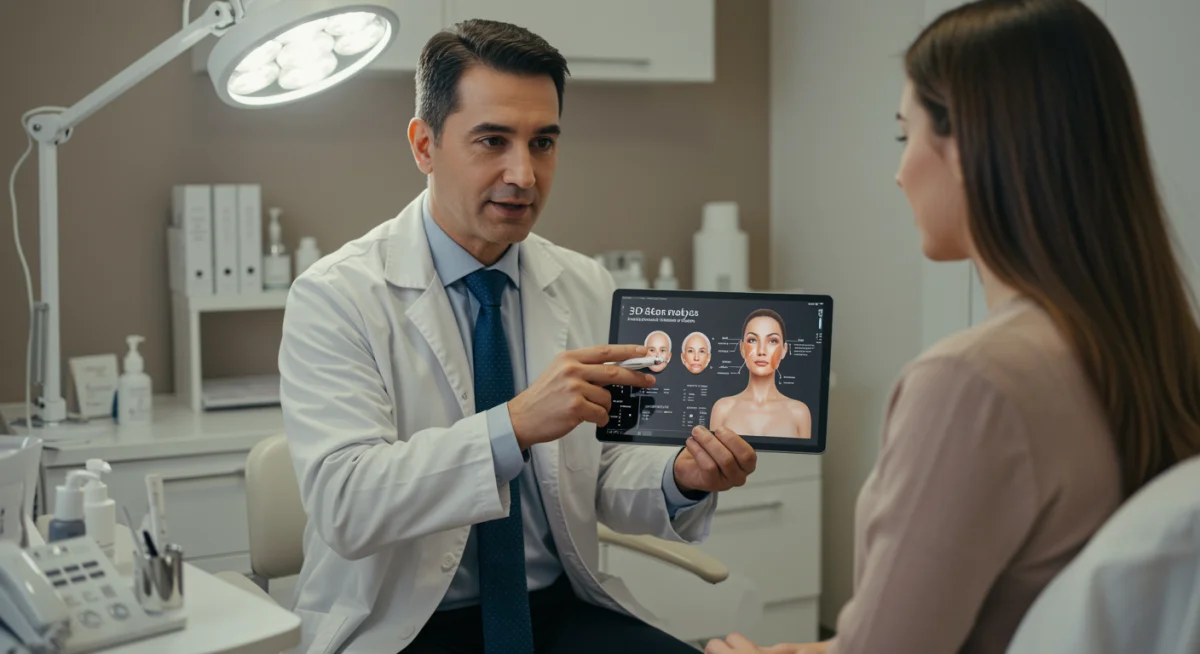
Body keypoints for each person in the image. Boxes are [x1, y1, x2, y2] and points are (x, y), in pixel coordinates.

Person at [706, 1, 1200, 653]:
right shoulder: (1156, 344)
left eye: (903, 135)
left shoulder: (971, 383)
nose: (899, 170)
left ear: (965, 145)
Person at [279, 19, 759, 654]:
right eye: (492, 140)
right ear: (424, 145)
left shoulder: (584, 282)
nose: (524, 175)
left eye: (543, 143)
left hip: (557, 608)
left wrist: (681, 477)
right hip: (404, 625)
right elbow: (345, 503)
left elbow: (602, 470)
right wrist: (513, 425)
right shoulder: (335, 297)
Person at [710, 309, 811, 439]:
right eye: (752, 340)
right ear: (742, 349)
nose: (761, 351)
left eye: (772, 341)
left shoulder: (799, 412)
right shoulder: (722, 409)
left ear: (784, 350)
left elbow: (804, 460)